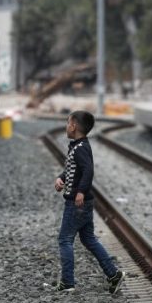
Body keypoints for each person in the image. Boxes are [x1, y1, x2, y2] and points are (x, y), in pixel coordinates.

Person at [53, 110, 124, 293]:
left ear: (74, 126)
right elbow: (73, 168)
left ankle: (67, 282)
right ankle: (113, 274)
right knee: (88, 239)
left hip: (76, 204)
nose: (66, 126)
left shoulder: (81, 147)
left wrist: (80, 192)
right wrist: (62, 178)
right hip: (83, 203)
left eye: (68, 122)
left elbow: (88, 171)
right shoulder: (77, 146)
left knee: (65, 239)